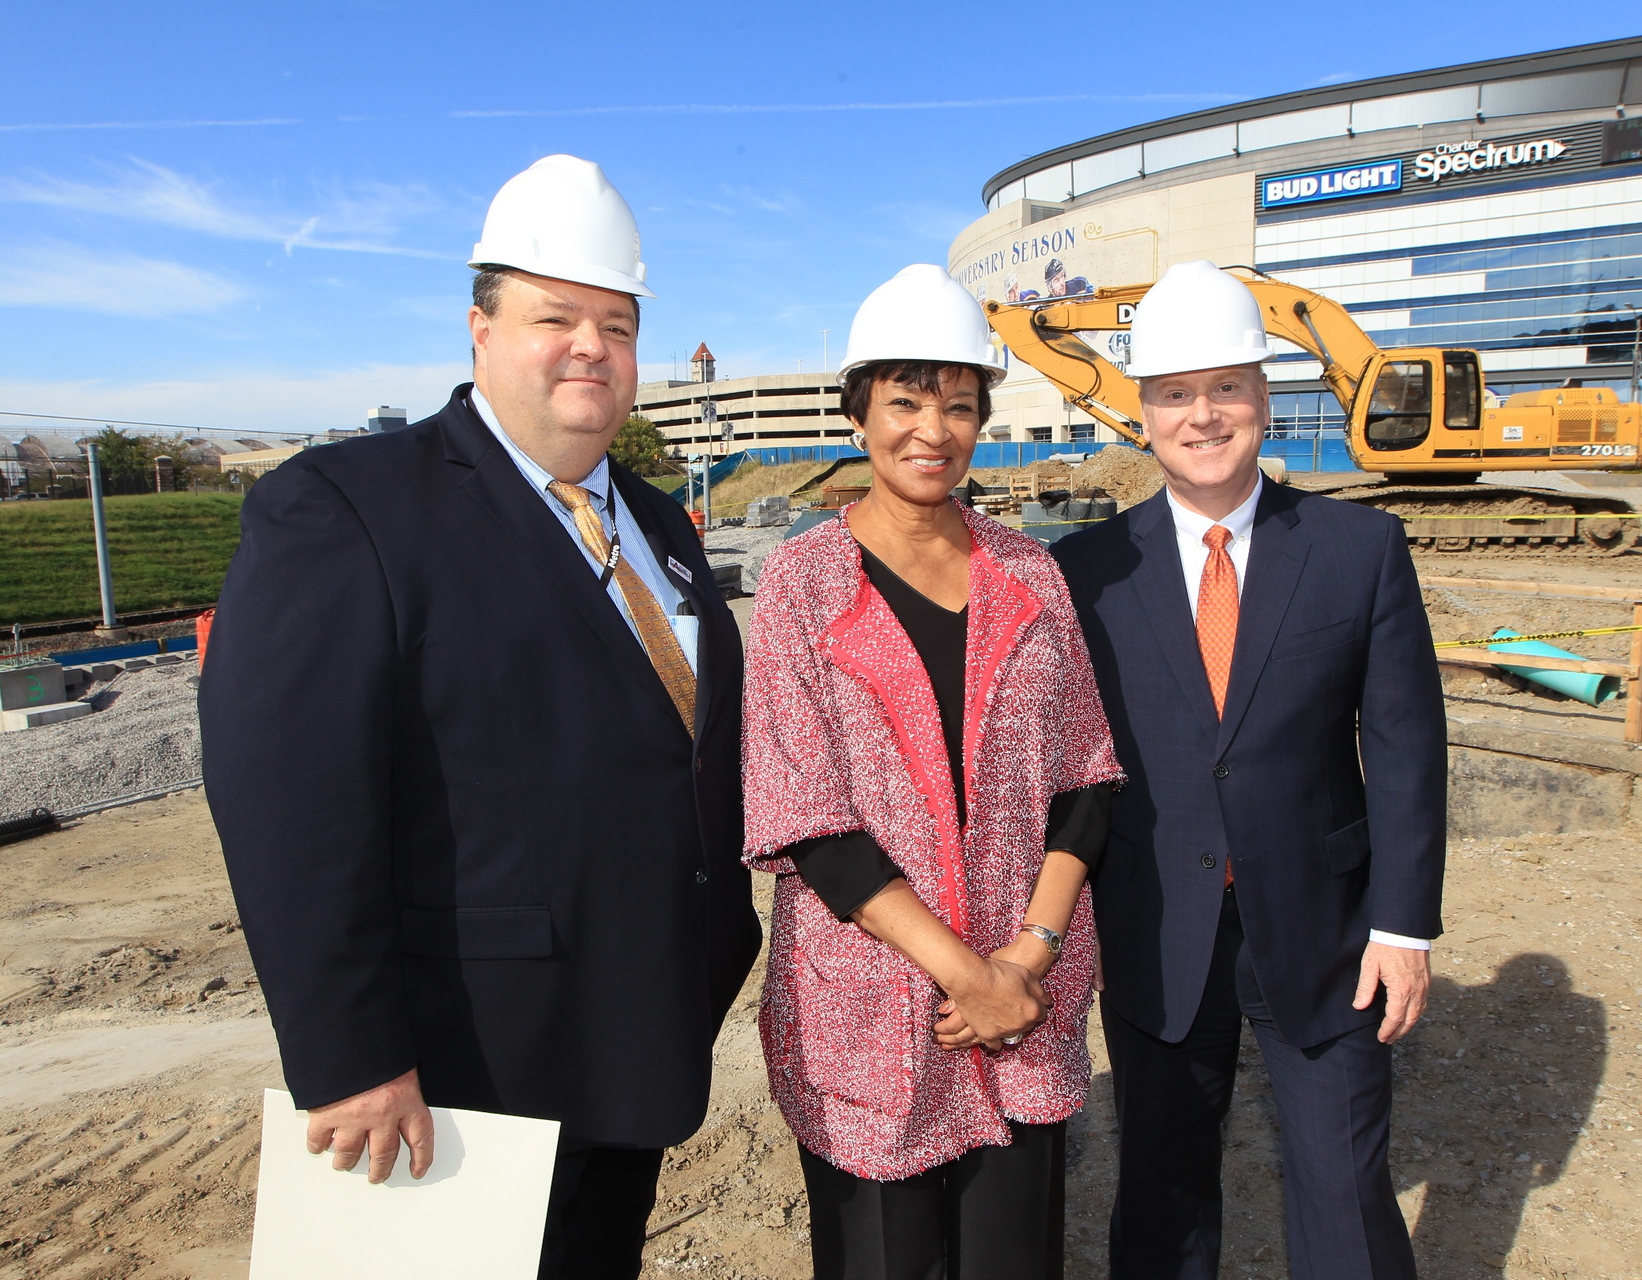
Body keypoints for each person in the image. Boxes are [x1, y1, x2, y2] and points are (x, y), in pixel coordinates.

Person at [200, 155, 761, 1280]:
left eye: (616, 320)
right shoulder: (349, 507)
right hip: (463, 1068)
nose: (589, 346)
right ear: (479, 328)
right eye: (555, 315)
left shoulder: (661, 524)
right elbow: (290, 803)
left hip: (635, 1032)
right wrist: (353, 1055)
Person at [1050, 260, 1446, 1280]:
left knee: (1347, 1191)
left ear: (1266, 395)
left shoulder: (1360, 549)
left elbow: (1404, 745)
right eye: (1177, 392)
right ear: (1143, 411)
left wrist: (1404, 925)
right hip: (1156, 929)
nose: (1204, 414)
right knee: (1162, 1192)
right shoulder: (1087, 570)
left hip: (1327, 929)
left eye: (1227, 385)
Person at [741, 264, 1123, 1280]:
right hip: (872, 1008)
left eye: (959, 404)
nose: (932, 428)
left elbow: (1086, 779)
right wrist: (970, 977)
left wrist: (1026, 961)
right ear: (860, 411)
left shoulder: (1029, 574)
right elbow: (806, 815)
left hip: (1022, 999)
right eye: (905, 400)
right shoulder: (802, 582)